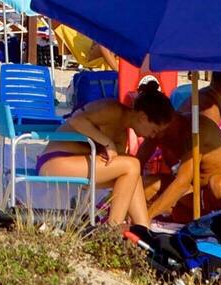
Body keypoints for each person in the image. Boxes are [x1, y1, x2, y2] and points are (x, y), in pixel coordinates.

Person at [39, 82, 179, 227]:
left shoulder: (122, 132)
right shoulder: (112, 109)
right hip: (54, 161)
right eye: (154, 130)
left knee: (133, 172)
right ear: (143, 117)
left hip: (73, 164)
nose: (153, 136)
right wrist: (107, 143)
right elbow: (76, 120)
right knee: (132, 164)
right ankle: (112, 229)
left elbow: (122, 176)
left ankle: (142, 229)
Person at [142, 111, 221, 219]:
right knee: (146, 184)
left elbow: (182, 183)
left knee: (218, 184)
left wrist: (147, 217)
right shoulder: (158, 132)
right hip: (194, 194)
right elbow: (139, 162)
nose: (155, 136)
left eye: (157, 132)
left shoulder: (196, 129)